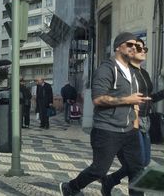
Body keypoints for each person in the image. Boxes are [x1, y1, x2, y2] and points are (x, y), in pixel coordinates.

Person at [59, 32, 148, 196]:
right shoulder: (106, 69)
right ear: (117, 47)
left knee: (137, 169)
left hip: (129, 131)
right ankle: (71, 187)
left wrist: (135, 123)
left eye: (136, 45)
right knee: (99, 169)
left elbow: (134, 101)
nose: (134, 48)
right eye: (129, 44)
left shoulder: (133, 73)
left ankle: (108, 182)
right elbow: (98, 99)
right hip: (107, 129)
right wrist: (127, 99)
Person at [100, 38, 164, 195]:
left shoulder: (144, 73)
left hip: (145, 121)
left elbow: (148, 98)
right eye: (139, 48)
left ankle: (110, 180)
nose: (143, 51)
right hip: (130, 122)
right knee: (137, 166)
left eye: (144, 49)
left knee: (143, 162)